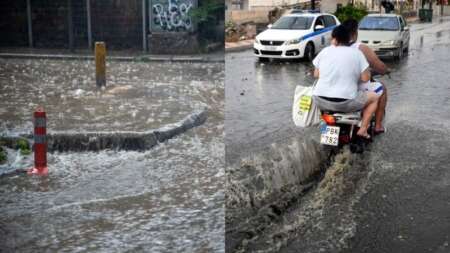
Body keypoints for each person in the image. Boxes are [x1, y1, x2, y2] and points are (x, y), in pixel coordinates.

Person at [312, 25, 379, 139]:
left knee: (324, 115)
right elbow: (365, 78)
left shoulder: (325, 51)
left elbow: (316, 74)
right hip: (346, 102)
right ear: (348, 39)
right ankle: (363, 129)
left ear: (335, 39)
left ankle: (325, 132)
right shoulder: (357, 53)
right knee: (375, 97)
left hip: (319, 100)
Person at [343, 18, 388, 134]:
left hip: (334, 92)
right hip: (354, 91)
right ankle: (378, 126)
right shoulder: (360, 48)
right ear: (355, 32)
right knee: (382, 88)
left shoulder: (333, 48)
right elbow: (379, 67)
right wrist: (386, 70)